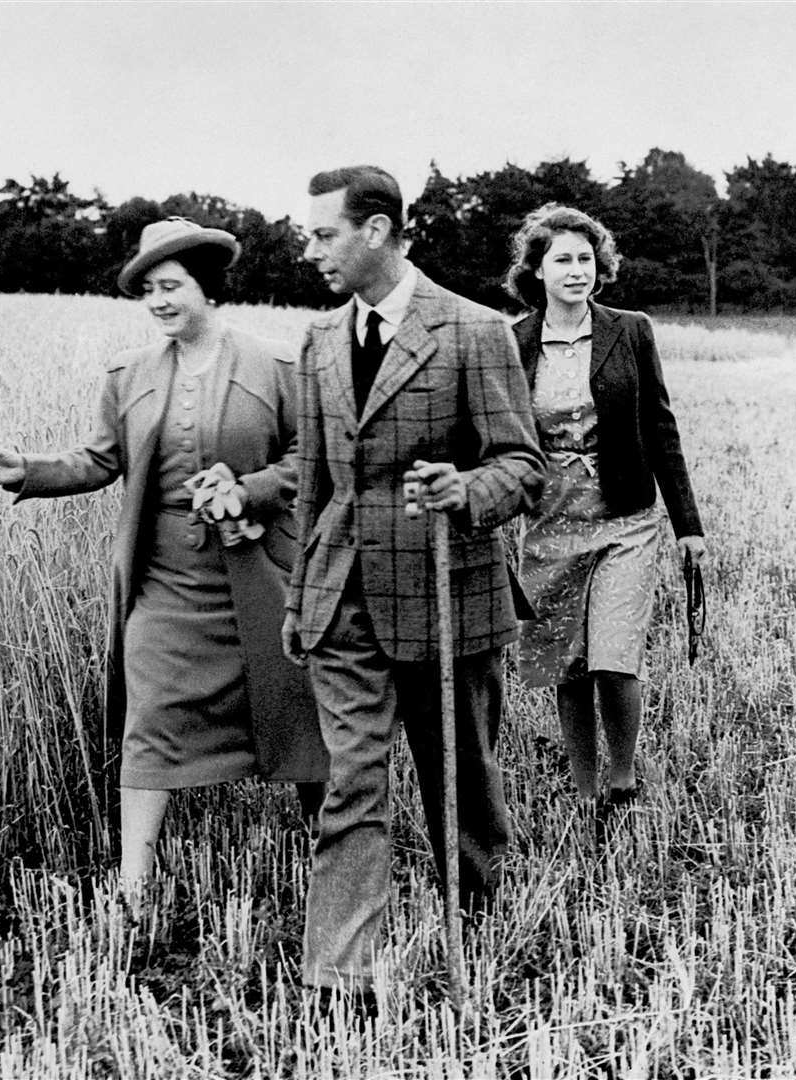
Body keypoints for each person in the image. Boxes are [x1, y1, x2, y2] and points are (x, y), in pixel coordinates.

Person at [0, 218, 327, 909]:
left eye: (172, 285)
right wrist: (26, 470)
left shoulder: (275, 366)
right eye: (148, 290)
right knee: (152, 717)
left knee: (296, 711)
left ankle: (328, 855)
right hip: (164, 579)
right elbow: (100, 461)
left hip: (259, 569)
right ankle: (133, 884)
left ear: (207, 287)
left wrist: (250, 489)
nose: (159, 300)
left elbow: (310, 458)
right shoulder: (127, 375)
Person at [281, 165, 545, 1002]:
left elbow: (523, 468)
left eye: (323, 234)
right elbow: (316, 486)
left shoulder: (472, 331)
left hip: (445, 591)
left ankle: (479, 916)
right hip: (343, 592)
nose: (310, 249)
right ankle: (340, 977)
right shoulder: (320, 340)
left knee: (458, 774)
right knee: (351, 781)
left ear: (378, 230)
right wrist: (300, 599)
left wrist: (465, 489)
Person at [503, 204, 705, 819]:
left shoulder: (630, 330)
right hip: (551, 517)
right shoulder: (512, 342)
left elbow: (660, 428)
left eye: (585, 258)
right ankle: (585, 785)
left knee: (614, 657)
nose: (576, 270)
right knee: (567, 661)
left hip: (626, 514)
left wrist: (688, 525)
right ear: (536, 270)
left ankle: (622, 781)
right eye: (561, 259)